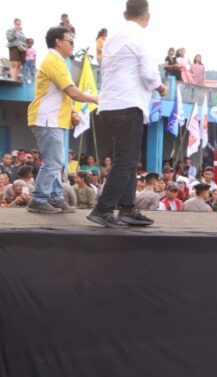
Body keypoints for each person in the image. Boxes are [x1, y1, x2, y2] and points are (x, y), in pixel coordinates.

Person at [91, 0, 166, 228]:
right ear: (148, 16)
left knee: (128, 159)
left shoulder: (112, 38)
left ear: (125, 14)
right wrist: (161, 87)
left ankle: (127, 208)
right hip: (128, 105)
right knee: (126, 160)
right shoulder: (141, 37)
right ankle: (103, 208)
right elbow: (150, 75)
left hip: (109, 105)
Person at [26, 26, 98, 215]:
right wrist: (96, 98)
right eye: (70, 42)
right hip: (47, 120)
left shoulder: (57, 61)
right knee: (54, 162)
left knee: (56, 162)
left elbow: (61, 95)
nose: (73, 46)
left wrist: (73, 112)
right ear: (58, 42)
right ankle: (39, 199)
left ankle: (56, 198)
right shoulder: (54, 61)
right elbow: (72, 92)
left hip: (52, 119)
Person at [6, 18, 26, 83]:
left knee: (19, 64)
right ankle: (13, 80)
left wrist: (25, 48)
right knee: (14, 64)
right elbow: (9, 38)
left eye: (19, 24)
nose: (18, 25)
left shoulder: (22, 33)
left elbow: (24, 41)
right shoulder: (10, 30)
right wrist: (14, 32)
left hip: (21, 49)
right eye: (17, 24)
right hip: (14, 47)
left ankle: (16, 79)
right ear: (14, 23)